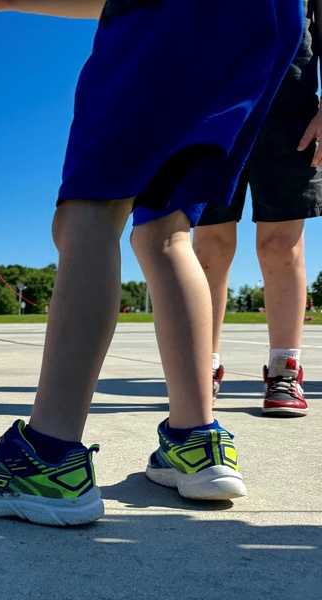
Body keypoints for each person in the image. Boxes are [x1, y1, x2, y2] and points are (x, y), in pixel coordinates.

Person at [0, 0, 303, 527]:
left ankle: (47, 457)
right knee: (166, 231)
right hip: (265, 20)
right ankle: (196, 442)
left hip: (170, 13)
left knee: (89, 212)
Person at [193, 0, 320, 418]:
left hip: (289, 110)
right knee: (207, 249)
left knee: (281, 246)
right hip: (209, 107)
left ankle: (285, 369)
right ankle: (201, 368)